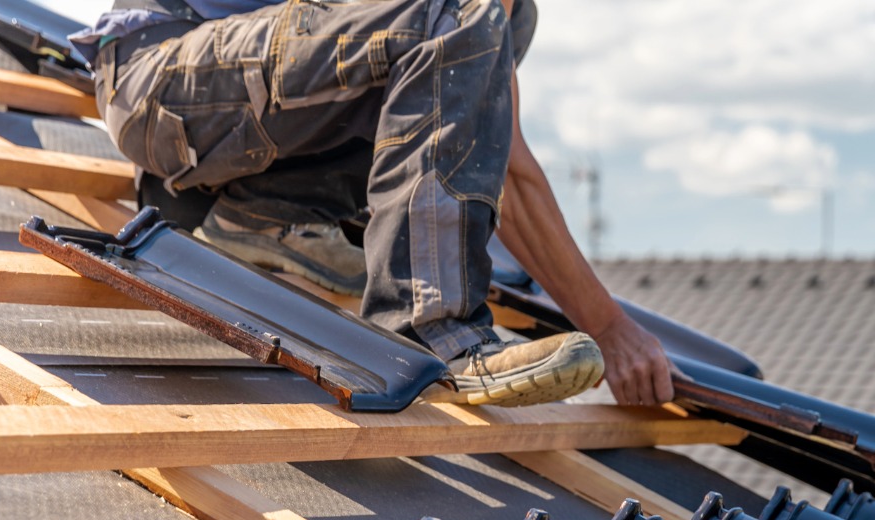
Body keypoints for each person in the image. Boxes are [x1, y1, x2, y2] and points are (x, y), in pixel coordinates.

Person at [72, 0, 674, 407]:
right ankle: (432, 326)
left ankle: (265, 215)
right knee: (451, 15)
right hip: (159, 79)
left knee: (483, 29)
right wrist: (606, 326)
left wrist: (609, 326)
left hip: (237, 121)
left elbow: (499, 157)